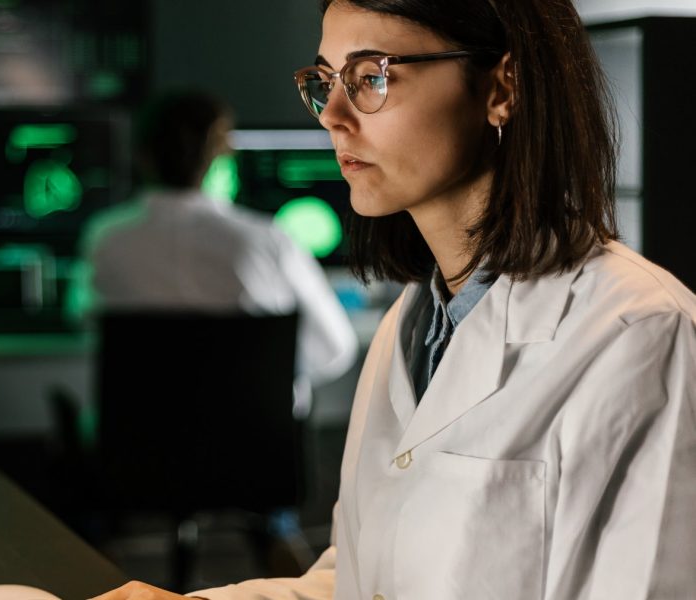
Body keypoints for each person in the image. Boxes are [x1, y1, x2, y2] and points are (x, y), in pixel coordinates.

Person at [92, 0, 696, 599]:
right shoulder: (415, 321)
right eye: (325, 82)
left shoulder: (642, 336)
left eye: (371, 76)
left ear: (502, 89)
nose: (330, 115)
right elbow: (365, 577)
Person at [78, 90, 359, 414]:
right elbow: (334, 349)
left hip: (138, 449)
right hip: (254, 447)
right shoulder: (269, 241)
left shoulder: (105, 238)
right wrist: (261, 375)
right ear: (220, 157)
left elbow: (87, 326)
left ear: (142, 155)